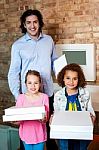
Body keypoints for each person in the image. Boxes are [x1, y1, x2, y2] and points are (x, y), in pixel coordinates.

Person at [8, 9, 58, 150]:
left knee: (48, 132)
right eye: (28, 22)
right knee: (27, 131)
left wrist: (65, 84)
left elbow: (55, 62)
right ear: (24, 25)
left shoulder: (48, 41)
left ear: (39, 23)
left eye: (35, 22)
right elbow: (13, 72)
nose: (32, 26)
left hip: (47, 94)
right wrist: (19, 97)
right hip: (27, 98)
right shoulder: (18, 46)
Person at [52, 63, 96, 150]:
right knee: (65, 146)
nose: (71, 82)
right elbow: (56, 112)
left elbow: (90, 109)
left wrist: (92, 117)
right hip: (64, 130)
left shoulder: (85, 93)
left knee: (81, 147)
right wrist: (53, 119)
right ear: (63, 79)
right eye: (68, 78)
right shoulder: (58, 95)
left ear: (79, 79)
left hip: (81, 129)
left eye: (75, 79)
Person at [16, 70, 49, 150]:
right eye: (30, 83)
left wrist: (43, 119)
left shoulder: (44, 97)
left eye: (36, 83)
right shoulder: (21, 98)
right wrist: (14, 120)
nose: (33, 86)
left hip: (39, 135)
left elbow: (46, 119)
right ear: (26, 84)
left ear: (40, 84)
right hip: (25, 135)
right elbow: (18, 120)